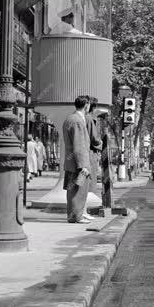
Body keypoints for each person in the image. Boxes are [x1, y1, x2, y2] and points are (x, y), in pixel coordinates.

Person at [63, 95, 92, 224]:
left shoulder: (70, 118)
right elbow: (79, 144)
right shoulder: (77, 121)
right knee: (78, 190)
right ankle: (76, 216)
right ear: (86, 105)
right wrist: (83, 165)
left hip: (71, 161)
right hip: (77, 163)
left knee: (72, 189)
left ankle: (73, 215)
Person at [86, 97, 103, 218]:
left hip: (88, 153)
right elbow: (95, 139)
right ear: (94, 107)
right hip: (91, 153)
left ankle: (86, 209)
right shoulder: (90, 119)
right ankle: (89, 208)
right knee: (91, 180)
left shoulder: (84, 118)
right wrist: (103, 145)